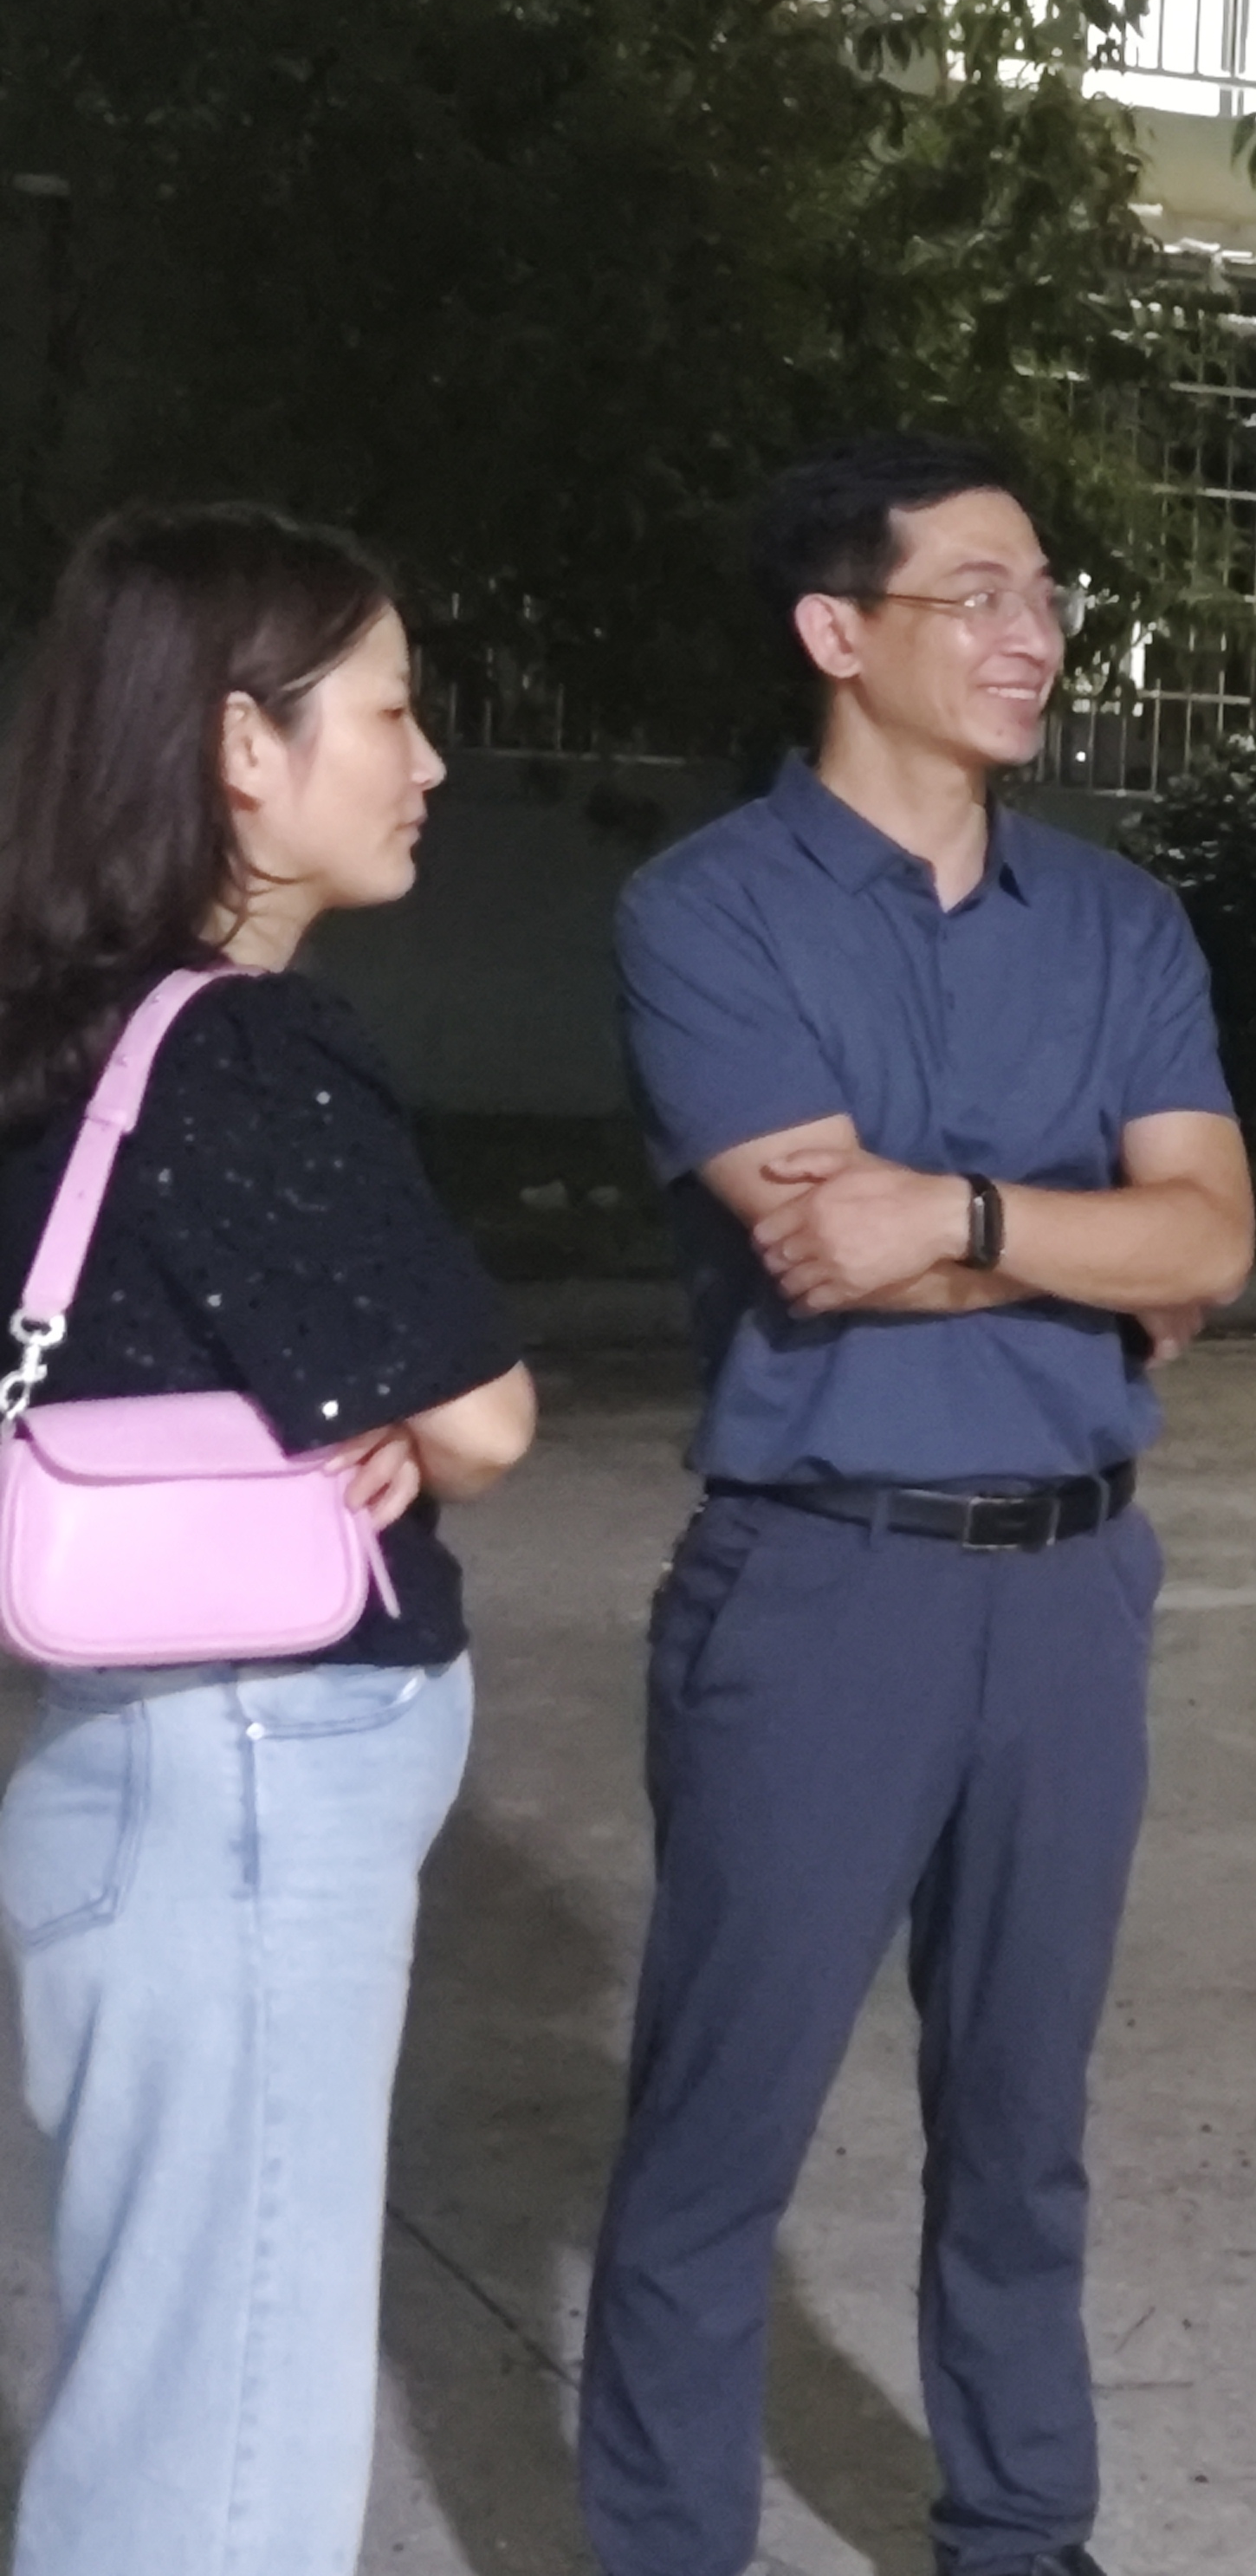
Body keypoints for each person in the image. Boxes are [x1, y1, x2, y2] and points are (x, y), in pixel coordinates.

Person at [580, 432, 1253, 2576]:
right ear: (835, 631)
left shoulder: (1119, 921)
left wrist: (959, 1216)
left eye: (1042, 594)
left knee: (1022, 2133)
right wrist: (1091, 1251)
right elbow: (821, 1249)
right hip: (822, 1589)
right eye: (976, 593)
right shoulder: (706, 911)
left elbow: (1211, 1239)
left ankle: (1020, 2533)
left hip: (1069, 1593)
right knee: (722, 2138)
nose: (1031, 633)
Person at [0, 503, 540, 2576]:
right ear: (246, 746)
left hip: (135, 1772)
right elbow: (484, 1416)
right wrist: (399, 1414)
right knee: (225, 2454)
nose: (427, 761)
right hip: (236, 1791)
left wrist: (348, 1401)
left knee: (170, 2391)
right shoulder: (238, 1046)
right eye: (388, 713)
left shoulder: (64, 1031)